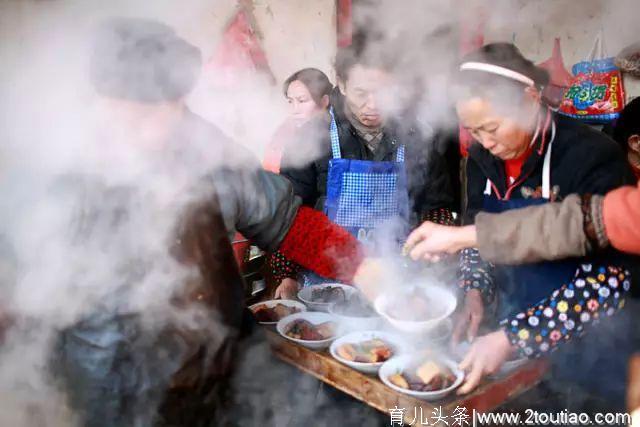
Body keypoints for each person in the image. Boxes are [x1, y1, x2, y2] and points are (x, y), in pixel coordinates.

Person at [48, 18, 367, 426]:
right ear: (108, 104)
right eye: (148, 112)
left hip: (223, 372)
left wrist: (366, 268)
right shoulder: (64, 179)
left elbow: (286, 220)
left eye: (176, 105)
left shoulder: (201, 143)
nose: (169, 125)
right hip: (120, 396)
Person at [409, 43, 634, 397]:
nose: (485, 142)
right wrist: (474, 289)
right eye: (473, 131)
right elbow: (476, 231)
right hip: (510, 337)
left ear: (530, 98)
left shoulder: (592, 157)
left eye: (492, 127)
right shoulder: (483, 159)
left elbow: (609, 282)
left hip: (589, 354)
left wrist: (517, 336)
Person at [274, 31, 455, 296]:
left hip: (398, 279)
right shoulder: (313, 136)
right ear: (343, 85)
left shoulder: (418, 137)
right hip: (326, 279)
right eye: (361, 93)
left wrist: (432, 268)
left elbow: (437, 209)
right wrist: (286, 274)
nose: (373, 105)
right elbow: (289, 209)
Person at [263, 68, 332, 173]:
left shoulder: (339, 133)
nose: (294, 110)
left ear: (324, 101)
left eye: (302, 101)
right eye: (290, 101)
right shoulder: (284, 131)